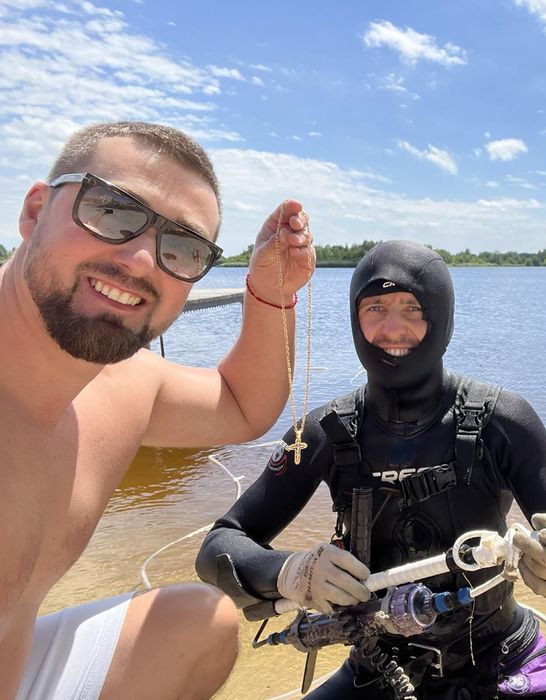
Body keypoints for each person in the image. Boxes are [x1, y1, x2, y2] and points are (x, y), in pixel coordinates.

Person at [197, 240, 546, 699]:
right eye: (375, 307)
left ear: (443, 318)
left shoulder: (503, 420)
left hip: (504, 662)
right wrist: (293, 571)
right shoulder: (324, 432)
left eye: (412, 308)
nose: (391, 328)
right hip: (375, 668)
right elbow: (219, 545)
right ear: (355, 319)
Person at [0, 121, 315, 700]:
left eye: (183, 248)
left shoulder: (122, 386)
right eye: (113, 212)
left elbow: (243, 405)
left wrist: (270, 290)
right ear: (34, 212)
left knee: (199, 622)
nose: (143, 260)